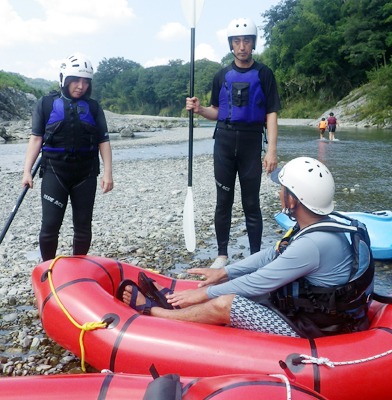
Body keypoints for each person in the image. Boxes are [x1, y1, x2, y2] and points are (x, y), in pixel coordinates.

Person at [118, 157, 374, 339]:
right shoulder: (318, 223)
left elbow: (257, 283)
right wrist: (224, 272)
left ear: (293, 200)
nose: (278, 194)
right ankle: (178, 304)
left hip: (318, 329)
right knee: (225, 288)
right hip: (324, 313)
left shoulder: (313, 244)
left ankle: (156, 312)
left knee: (225, 304)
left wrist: (206, 294)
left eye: (282, 190)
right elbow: (273, 253)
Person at [186, 18, 281, 269]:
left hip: (251, 142)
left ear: (253, 44)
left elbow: (271, 113)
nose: (242, 46)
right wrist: (199, 109)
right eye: (237, 41)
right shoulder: (221, 75)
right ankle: (222, 255)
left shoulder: (264, 74)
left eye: (247, 41)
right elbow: (216, 111)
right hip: (225, 142)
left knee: (251, 202)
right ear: (231, 44)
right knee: (223, 201)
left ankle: (255, 255)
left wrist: (271, 149)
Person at [21, 53, 113, 261]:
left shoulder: (94, 107)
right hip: (55, 171)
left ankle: (78, 268)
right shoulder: (46, 104)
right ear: (64, 79)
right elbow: (36, 139)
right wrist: (27, 171)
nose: (81, 86)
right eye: (76, 80)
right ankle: (47, 269)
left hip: (86, 173)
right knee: (50, 226)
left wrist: (108, 173)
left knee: (83, 226)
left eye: (86, 81)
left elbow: (103, 141)